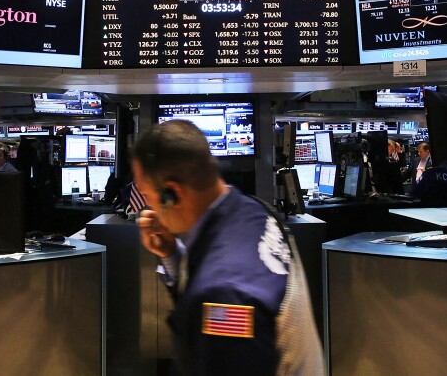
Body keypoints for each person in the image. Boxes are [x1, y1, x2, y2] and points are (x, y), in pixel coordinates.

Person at [132, 120, 324, 376]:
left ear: (172, 193)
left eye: (146, 195)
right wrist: (171, 255)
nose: (148, 206)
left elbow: (219, 291)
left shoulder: (225, 295)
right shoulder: (254, 210)